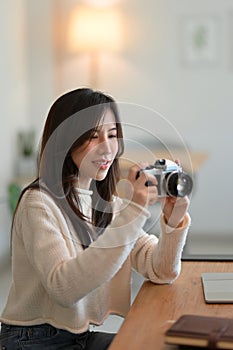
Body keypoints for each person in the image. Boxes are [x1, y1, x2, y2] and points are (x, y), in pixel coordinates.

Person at [0, 88, 191, 350]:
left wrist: (173, 221)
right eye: (93, 136)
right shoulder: (38, 203)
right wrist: (134, 211)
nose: (107, 147)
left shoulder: (106, 205)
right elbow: (64, 288)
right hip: (31, 341)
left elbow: (160, 270)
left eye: (112, 135)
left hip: (78, 337)